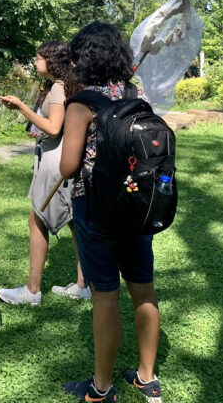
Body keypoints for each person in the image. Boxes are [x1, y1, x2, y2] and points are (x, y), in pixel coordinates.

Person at [59, 23, 163, 403]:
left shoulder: (83, 102)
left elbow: (69, 167)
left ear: (83, 60)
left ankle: (101, 389)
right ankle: (147, 377)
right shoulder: (139, 95)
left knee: (105, 295)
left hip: (97, 209)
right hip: (138, 205)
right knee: (143, 290)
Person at [0, 41, 88, 305]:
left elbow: (54, 127)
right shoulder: (62, 85)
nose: (35, 62)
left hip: (56, 160)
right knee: (74, 220)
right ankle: (84, 285)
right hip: (63, 156)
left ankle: (32, 290)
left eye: (38, 58)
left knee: (37, 219)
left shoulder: (59, 87)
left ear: (51, 60)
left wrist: (21, 107)